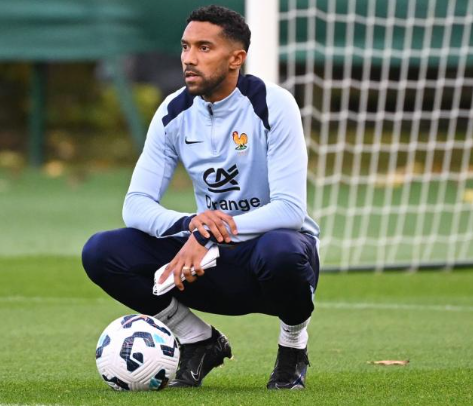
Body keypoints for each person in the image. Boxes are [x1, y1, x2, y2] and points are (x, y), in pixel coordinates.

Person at [82, 5, 320, 390]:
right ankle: (198, 340)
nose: (189, 58)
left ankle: (293, 348)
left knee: (282, 249)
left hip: (271, 264)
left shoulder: (273, 104)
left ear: (236, 58)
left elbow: (291, 211)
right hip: (207, 263)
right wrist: (190, 224)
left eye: (204, 48)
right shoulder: (172, 112)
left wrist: (207, 234)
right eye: (185, 47)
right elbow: (136, 203)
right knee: (102, 251)